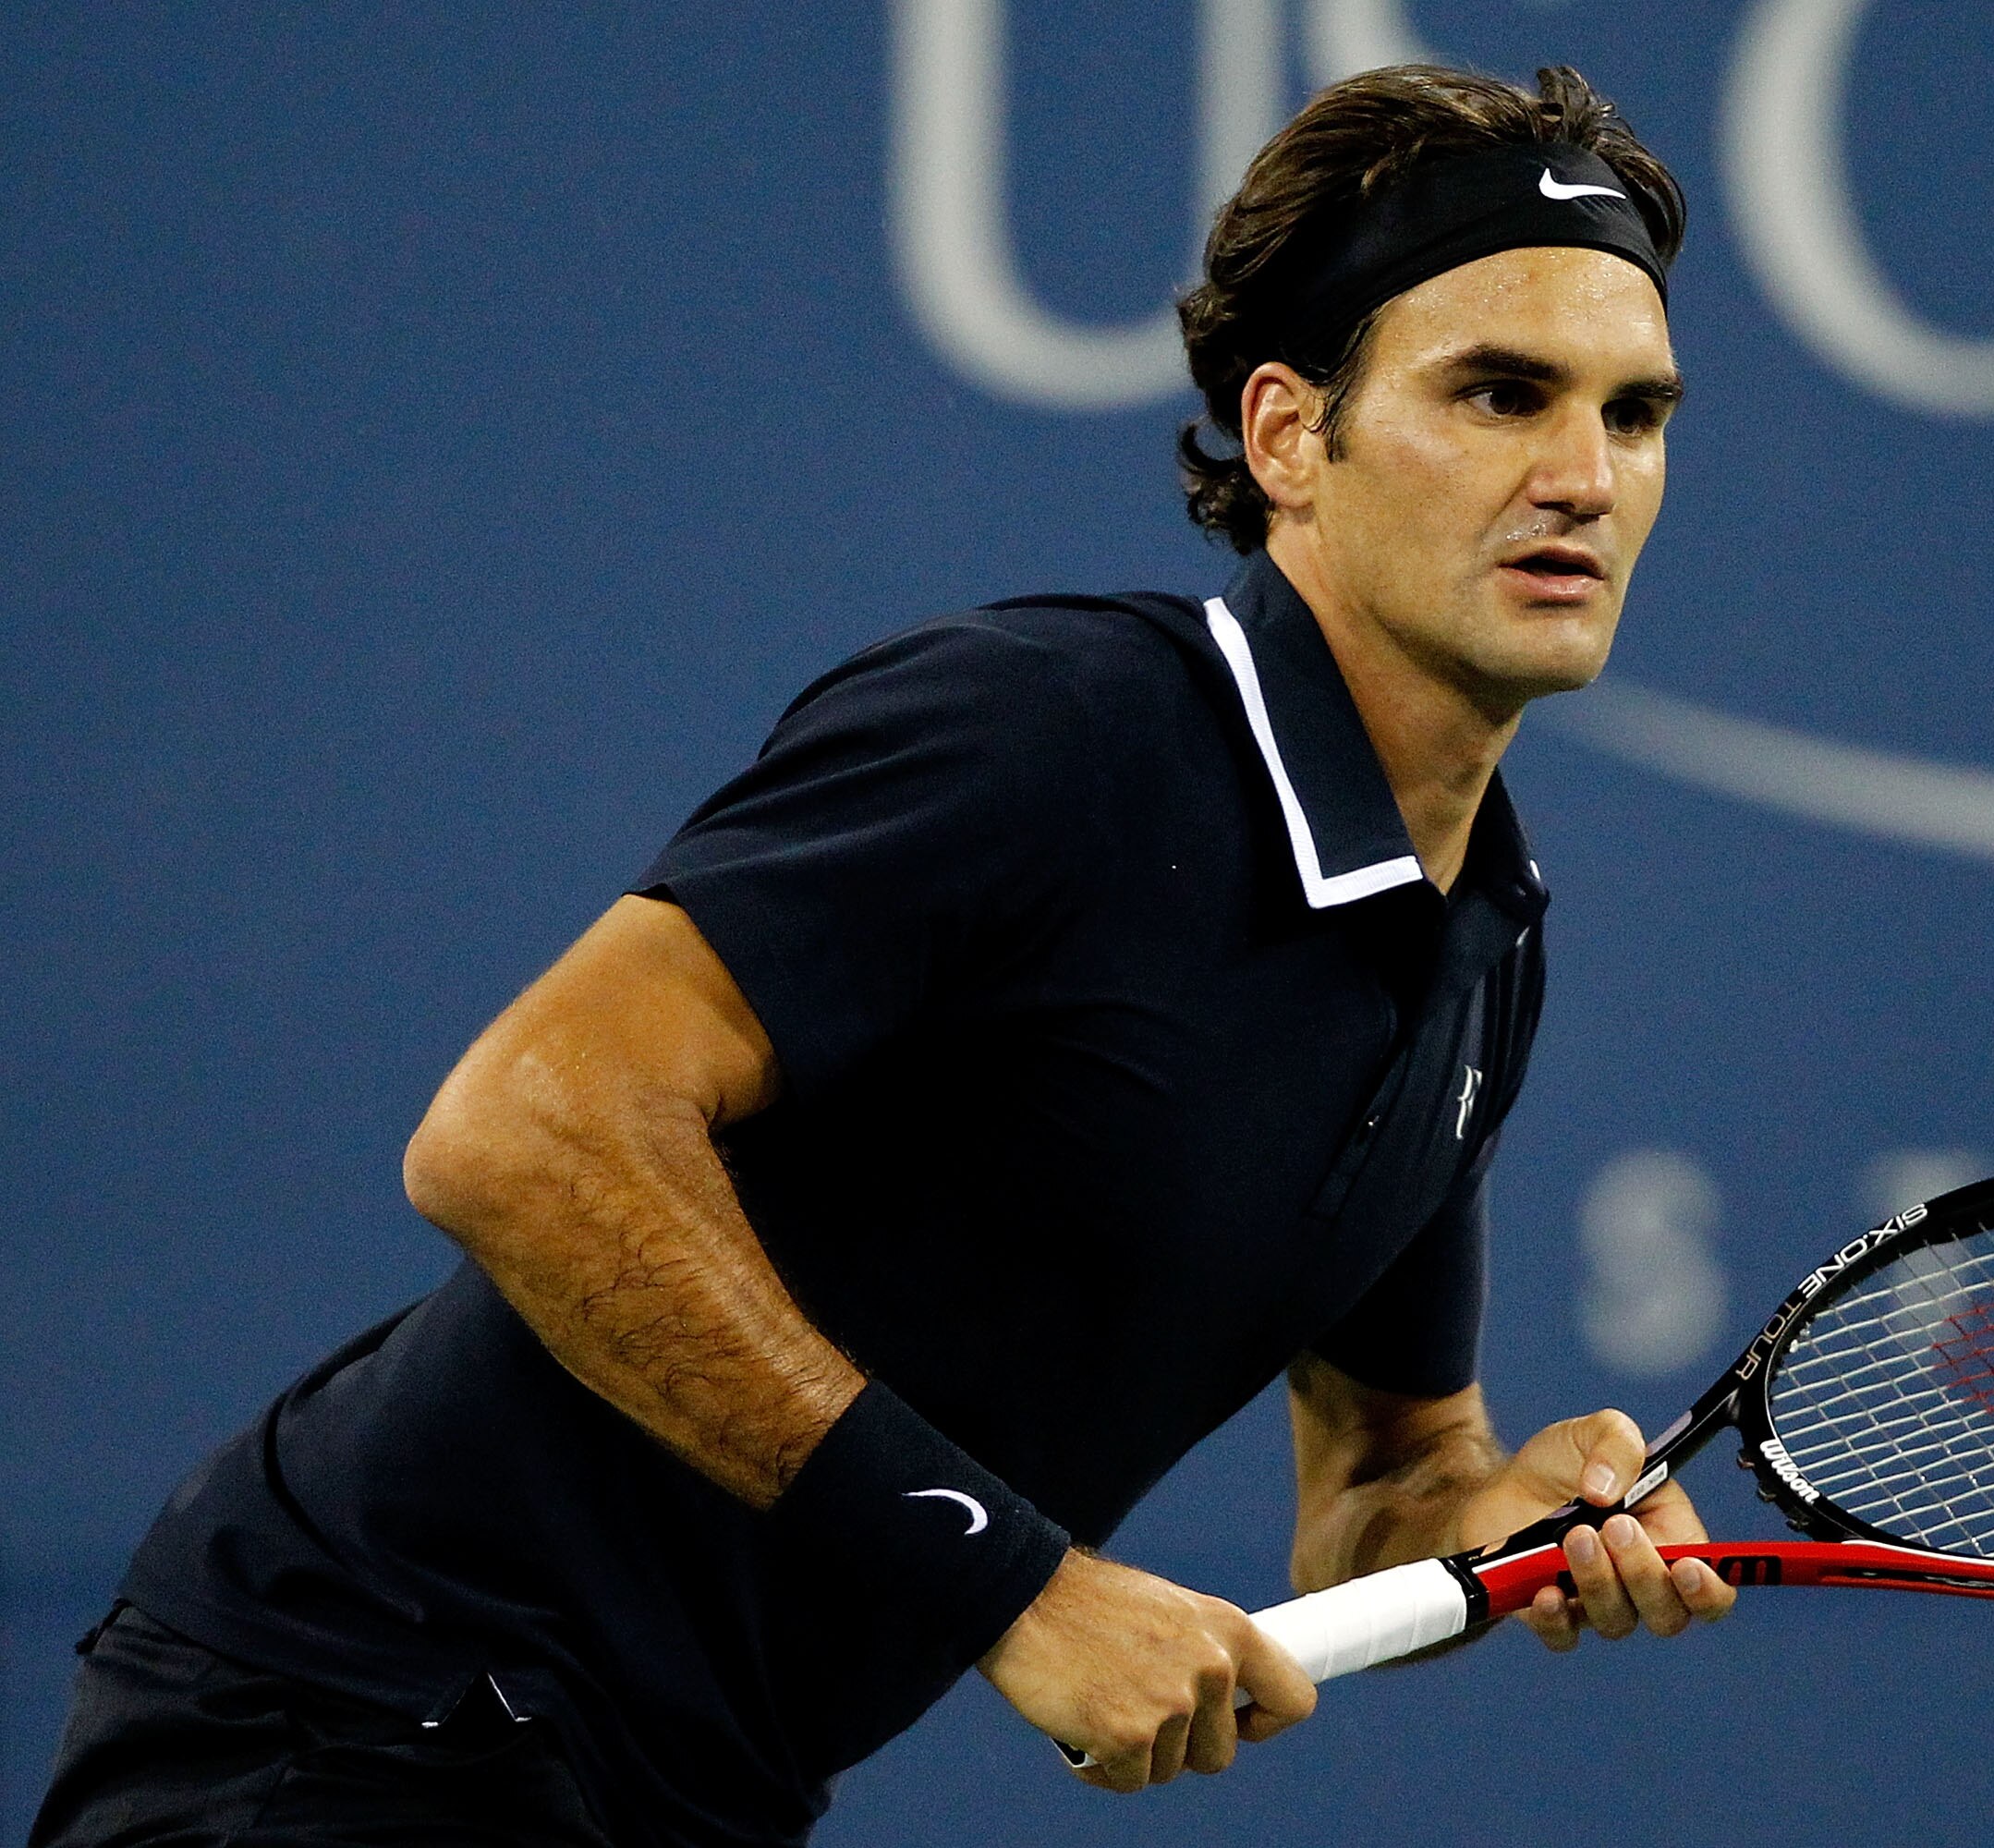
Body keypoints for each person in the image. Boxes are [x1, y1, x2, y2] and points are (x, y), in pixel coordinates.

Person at [33, 61, 1731, 1848]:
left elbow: (1379, 1485)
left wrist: (1506, 1532)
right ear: (1290, 436)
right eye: (1499, 393)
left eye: (1636, 415)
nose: (1582, 477)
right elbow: (521, 1129)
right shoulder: (1057, 732)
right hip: (363, 1712)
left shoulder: (1478, 942)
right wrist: (1014, 1584)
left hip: (677, 1794)